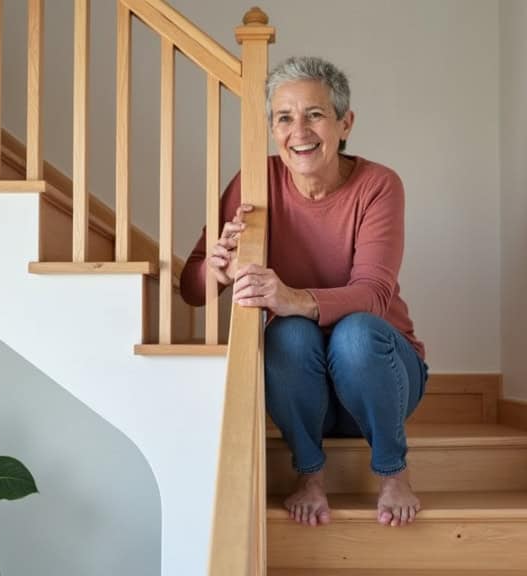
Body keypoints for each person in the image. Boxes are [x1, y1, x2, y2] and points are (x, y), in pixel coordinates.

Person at [180, 56, 427, 528]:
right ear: (272, 129)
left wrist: (290, 297)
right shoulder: (255, 183)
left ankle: (393, 470)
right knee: (286, 334)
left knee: (354, 332)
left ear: (344, 122)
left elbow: (374, 294)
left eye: (314, 114)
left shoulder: (378, 184)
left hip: (381, 382)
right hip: (303, 392)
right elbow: (190, 289)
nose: (300, 131)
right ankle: (310, 474)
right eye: (284, 117)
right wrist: (219, 270)